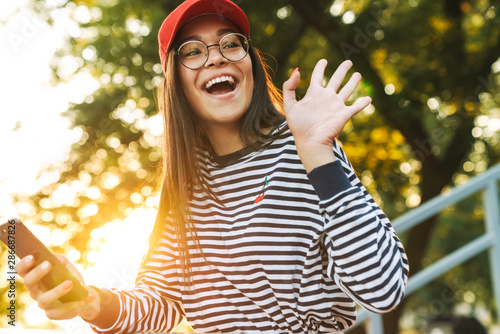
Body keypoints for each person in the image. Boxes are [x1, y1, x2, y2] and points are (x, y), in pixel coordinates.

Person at [16, 0, 409, 332]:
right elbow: (160, 303)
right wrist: (89, 302)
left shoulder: (304, 147)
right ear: (175, 82)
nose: (217, 55)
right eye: (192, 50)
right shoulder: (187, 185)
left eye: (230, 44)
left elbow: (382, 290)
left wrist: (318, 155)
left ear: (249, 62)